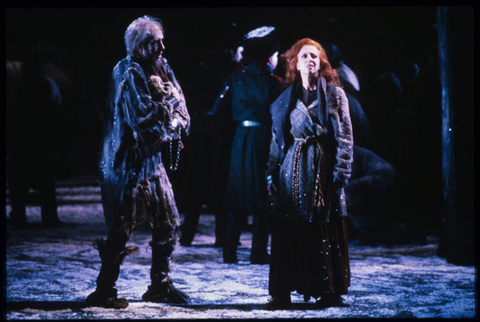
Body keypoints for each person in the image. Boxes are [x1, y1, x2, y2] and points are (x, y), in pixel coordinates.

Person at [85, 15, 190, 309]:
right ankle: (104, 290)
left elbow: (184, 112)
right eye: (155, 42)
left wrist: (169, 116)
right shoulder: (128, 70)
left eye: (162, 41)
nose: (162, 48)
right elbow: (143, 122)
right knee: (121, 230)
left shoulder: (161, 67)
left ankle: (160, 285)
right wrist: (169, 109)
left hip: (152, 164)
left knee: (168, 222)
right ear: (140, 45)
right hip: (126, 164)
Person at [265, 38, 353, 309]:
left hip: (323, 170)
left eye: (315, 56)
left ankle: (328, 291)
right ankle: (282, 292)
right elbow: (277, 139)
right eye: (304, 56)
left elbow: (346, 137)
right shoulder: (285, 99)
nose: (310, 60)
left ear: (322, 63)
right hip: (292, 169)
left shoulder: (335, 95)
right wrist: (271, 173)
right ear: (295, 63)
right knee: (289, 228)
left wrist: (341, 171)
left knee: (323, 227)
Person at [213, 26, 282, 265]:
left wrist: (239, 128)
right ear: (270, 55)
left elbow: (218, 111)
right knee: (262, 194)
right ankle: (259, 252)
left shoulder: (235, 78)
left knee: (236, 193)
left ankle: (229, 251)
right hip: (264, 139)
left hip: (241, 139)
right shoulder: (275, 83)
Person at [179, 22, 245, 247]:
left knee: (199, 182)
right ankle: (220, 237)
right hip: (218, 129)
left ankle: (188, 236)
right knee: (217, 181)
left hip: (201, 128)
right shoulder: (229, 71)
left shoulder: (202, 69)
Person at [6, 43, 72, 228]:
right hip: (38, 139)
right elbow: (56, 108)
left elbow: (13, 112)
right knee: (42, 180)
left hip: (26, 139)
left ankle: (21, 214)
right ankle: (46, 216)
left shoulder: (24, 85)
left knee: (22, 180)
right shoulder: (42, 84)